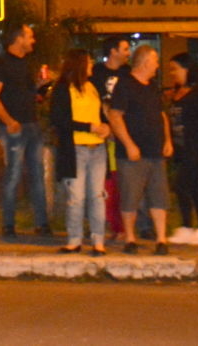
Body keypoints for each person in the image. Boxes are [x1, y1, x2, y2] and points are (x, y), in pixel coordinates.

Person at [106, 45, 173, 255]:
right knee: (130, 196)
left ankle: (161, 239)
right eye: (155, 61)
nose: (157, 66)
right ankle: (130, 238)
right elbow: (115, 116)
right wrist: (128, 144)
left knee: (159, 195)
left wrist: (167, 140)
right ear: (144, 62)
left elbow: (161, 115)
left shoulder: (153, 86)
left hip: (155, 151)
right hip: (132, 154)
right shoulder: (125, 85)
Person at [0, 23, 48, 239]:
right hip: (14, 128)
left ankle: (42, 223)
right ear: (18, 39)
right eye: (30, 36)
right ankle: (8, 224)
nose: (33, 41)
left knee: (37, 175)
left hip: (32, 125)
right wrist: (8, 121)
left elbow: (26, 92)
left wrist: (39, 86)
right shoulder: (1, 64)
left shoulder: (26, 64)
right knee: (12, 175)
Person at [50, 49, 110, 256]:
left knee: (97, 195)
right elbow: (59, 120)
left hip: (97, 148)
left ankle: (98, 240)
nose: (92, 64)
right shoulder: (63, 89)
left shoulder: (93, 87)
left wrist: (105, 126)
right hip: (75, 149)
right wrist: (88, 127)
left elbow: (100, 113)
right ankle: (74, 240)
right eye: (89, 61)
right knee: (76, 197)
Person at [165, 53, 198, 246]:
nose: (172, 73)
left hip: (196, 149)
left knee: (183, 186)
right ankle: (191, 227)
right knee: (194, 189)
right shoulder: (177, 93)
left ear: (187, 70)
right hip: (181, 149)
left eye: (175, 69)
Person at [91, 35, 131, 240]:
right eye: (125, 48)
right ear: (113, 51)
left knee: (121, 181)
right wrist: (107, 126)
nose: (128, 53)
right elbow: (96, 102)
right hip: (102, 133)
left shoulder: (128, 73)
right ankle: (107, 224)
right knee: (105, 182)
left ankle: (122, 227)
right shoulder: (97, 73)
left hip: (123, 133)